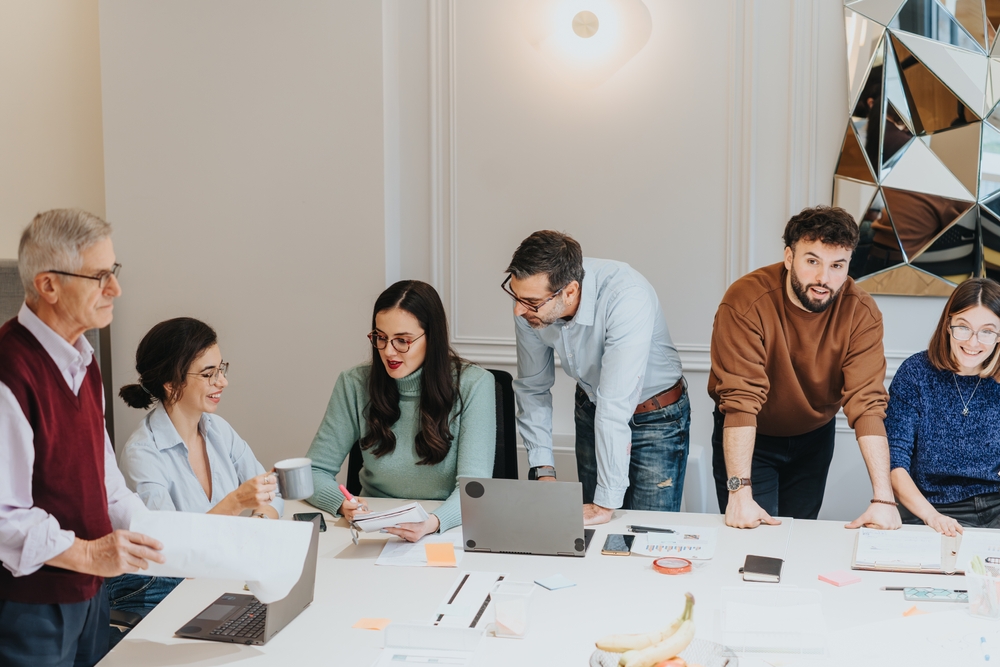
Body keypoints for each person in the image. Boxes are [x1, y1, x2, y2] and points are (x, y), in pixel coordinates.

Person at [0, 209, 164, 667]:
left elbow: (104, 479)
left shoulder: (84, 362)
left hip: (91, 594)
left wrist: (155, 533)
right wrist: (91, 553)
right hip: (29, 608)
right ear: (49, 285)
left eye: (113, 272)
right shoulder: (9, 373)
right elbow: (4, 516)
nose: (115, 289)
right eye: (99, 277)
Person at [709, 206, 901, 530]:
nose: (824, 279)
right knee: (751, 541)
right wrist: (740, 493)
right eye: (812, 261)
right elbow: (741, 401)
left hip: (814, 439)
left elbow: (867, 404)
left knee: (799, 536)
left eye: (837, 265)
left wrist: (884, 499)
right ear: (788, 257)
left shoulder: (861, 312)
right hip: (752, 436)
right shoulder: (745, 301)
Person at [505, 230, 689, 525]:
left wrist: (605, 504)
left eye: (530, 302)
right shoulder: (531, 301)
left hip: (657, 418)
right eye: (515, 297)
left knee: (646, 531)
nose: (518, 309)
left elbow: (615, 403)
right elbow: (532, 387)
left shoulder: (626, 295)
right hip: (591, 410)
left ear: (570, 291)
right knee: (592, 536)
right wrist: (543, 470)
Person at [109, 317, 282, 621]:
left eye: (221, 369)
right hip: (175, 600)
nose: (222, 381)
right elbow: (170, 553)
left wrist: (257, 522)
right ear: (172, 382)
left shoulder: (218, 430)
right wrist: (235, 504)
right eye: (208, 373)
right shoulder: (142, 454)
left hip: (225, 580)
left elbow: (271, 493)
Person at [306, 280, 495, 542]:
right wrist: (341, 503)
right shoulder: (354, 383)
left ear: (433, 338)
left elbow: (473, 489)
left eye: (403, 341)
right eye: (380, 338)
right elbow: (313, 472)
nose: (388, 351)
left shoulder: (475, 385)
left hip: (447, 528)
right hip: (372, 528)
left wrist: (433, 522)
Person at [888, 278, 1000, 535]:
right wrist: (932, 517)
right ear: (948, 325)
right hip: (930, 507)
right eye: (963, 327)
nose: (973, 342)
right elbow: (895, 464)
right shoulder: (915, 374)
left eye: (987, 331)